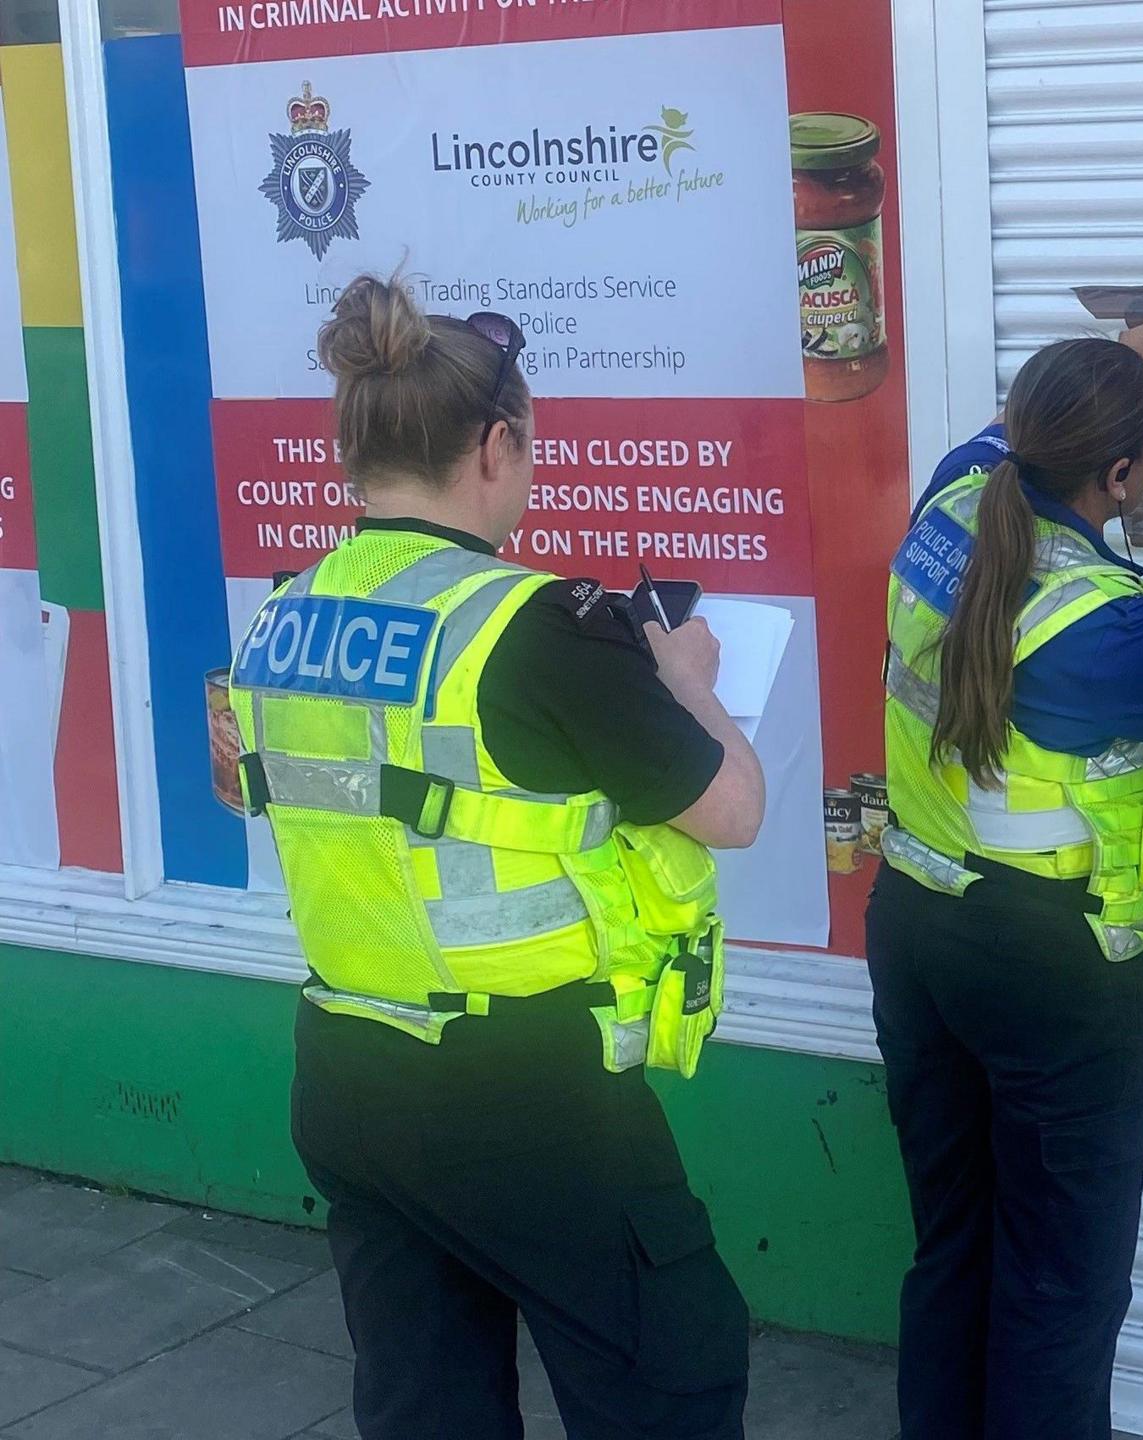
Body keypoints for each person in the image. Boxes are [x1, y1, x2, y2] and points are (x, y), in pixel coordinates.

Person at [228, 275, 767, 1439]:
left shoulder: (286, 613)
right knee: (669, 1379)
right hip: (526, 1091)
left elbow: (257, 786)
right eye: (526, 451)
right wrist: (688, 687)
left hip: (347, 1068)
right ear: (495, 444)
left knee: (428, 1404)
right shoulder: (535, 625)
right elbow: (730, 811)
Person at [867, 270, 1143, 1440]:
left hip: (915, 918)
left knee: (954, 1242)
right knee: (1063, 1276)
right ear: (1119, 475)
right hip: (1046, 967)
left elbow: (1042, 418)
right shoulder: (1111, 626)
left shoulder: (958, 492)